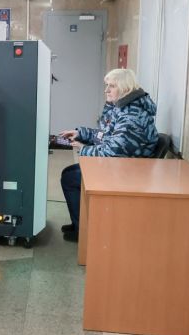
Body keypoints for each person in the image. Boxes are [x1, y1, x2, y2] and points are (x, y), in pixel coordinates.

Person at [58, 68, 158, 241]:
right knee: (69, 173)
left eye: (111, 86)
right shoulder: (124, 108)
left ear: (125, 88)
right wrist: (80, 133)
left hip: (127, 173)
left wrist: (83, 149)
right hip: (123, 166)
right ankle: (79, 224)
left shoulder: (131, 117)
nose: (106, 90)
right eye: (107, 86)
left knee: (70, 178)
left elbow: (111, 153)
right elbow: (107, 135)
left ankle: (82, 231)